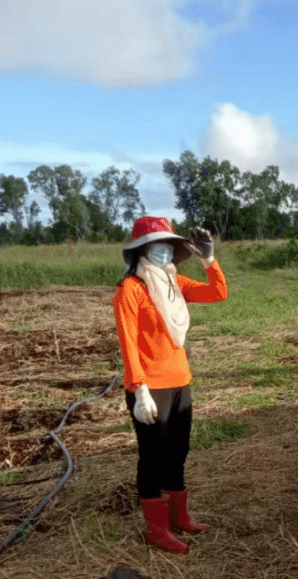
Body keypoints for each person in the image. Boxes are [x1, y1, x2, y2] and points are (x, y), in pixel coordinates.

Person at [113, 216, 228, 554]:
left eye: (168, 245)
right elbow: (128, 343)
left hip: (180, 381)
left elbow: (217, 293)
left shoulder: (173, 283)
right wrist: (139, 389)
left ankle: (180, 517)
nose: (163, 251)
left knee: (178, 452)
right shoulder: (130, 290)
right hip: (150, 388)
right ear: (141, 250)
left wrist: (210, 259)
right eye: (156, 245)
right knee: (152, 457)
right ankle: (157, 530)